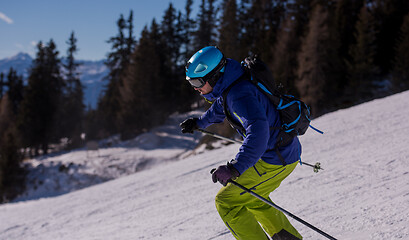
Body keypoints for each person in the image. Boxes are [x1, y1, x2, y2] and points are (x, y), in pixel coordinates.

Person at [180, 46, 303, 240]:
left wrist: (235, 168)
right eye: (191, 83)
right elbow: (220, 108)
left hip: (274, 159)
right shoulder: (232, 83)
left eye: (197, 82)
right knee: (254, 199)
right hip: (284, 152)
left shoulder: (239, 94)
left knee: (226, 202)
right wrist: (198, 123)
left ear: (213, 76)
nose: (195, 88)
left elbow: (258, 134)